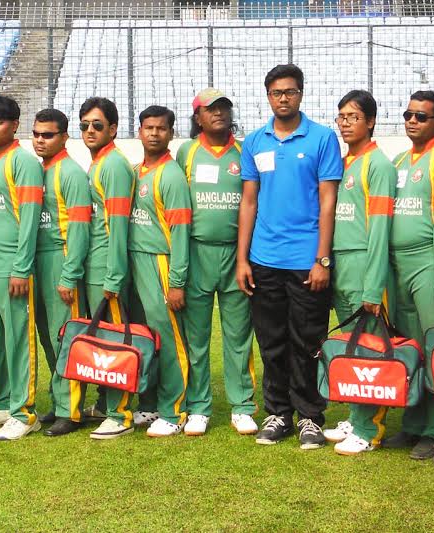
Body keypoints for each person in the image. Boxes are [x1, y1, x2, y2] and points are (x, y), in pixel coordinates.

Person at [235, 64, 343, 449]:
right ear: (268, 96)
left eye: (291, 92)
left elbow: (328, 201)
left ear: (301, 94)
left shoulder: (322, 138)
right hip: (264, 260)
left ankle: (310, 417)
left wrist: (322, 259)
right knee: (272, 341)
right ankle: (278, 413)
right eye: (277, 92)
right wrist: (242, 259)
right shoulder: (255, 142)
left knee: (306, 341)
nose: (284, 98)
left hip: (305, 261)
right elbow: (249, 202)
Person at [176, 88, 259, 436]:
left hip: (235, 254)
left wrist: (246, 257)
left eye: (224, 108)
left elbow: (253, 202)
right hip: (196, 252)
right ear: (198, 117)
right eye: (211, 110)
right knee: (196, 336)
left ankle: (242, 406)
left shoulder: (244, 151)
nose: (219, 114)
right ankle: (198, 407)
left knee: (239, 335)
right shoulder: (187, 152)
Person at [319, 90, 396, 456]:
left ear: (371, 121)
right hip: (342, 265)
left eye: (353, 117)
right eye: (341, 117)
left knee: (370, 350)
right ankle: (355, 414)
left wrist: (373, 284)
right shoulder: (344, 162)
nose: (345, 123)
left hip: (365, 265)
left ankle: (371, 428)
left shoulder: (378, 165)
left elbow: (380, 230)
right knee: (352, 348)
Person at [0, 96, 45, 441]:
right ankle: (2, 403)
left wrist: (22, 267)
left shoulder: (24, 163)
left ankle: (25, 411)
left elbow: (30, 220)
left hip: (13, 268)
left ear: (15, 125)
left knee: (18, 340)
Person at [129, 105, 195, 438]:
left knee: (169, 339)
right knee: (146, 337)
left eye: (161, 128)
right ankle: (151, 403)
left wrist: (177, 282)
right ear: (139, 131)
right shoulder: (136, 170)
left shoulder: (170, 175)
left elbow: (181, 232)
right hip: (136, 261)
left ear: (171, 133)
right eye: (148, 128)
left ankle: (175, 409)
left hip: (160, 262)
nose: (154, 133)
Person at [30, 108, 95, 438]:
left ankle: (71, 410)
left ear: (64, 137)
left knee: (65, 336)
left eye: (48, 135)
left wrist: (70, 274)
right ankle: (59, 402)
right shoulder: (38, 170)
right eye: (37, 134)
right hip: (39, 260)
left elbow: (81, 228)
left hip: (61, 259)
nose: (41, 140)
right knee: (47, 335)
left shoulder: (69, 172)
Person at [78, 96, 139, 440]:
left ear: (113, 129)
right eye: (85, 125)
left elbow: (118, 225)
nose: (89, 130)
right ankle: (105, 403)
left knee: (116, 340)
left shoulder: (114, 166)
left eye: (97, 125)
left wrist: (114, 275)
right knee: (102, 339)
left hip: (106, 268)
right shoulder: (98, 163)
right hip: (95, 265)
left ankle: (121, 413)